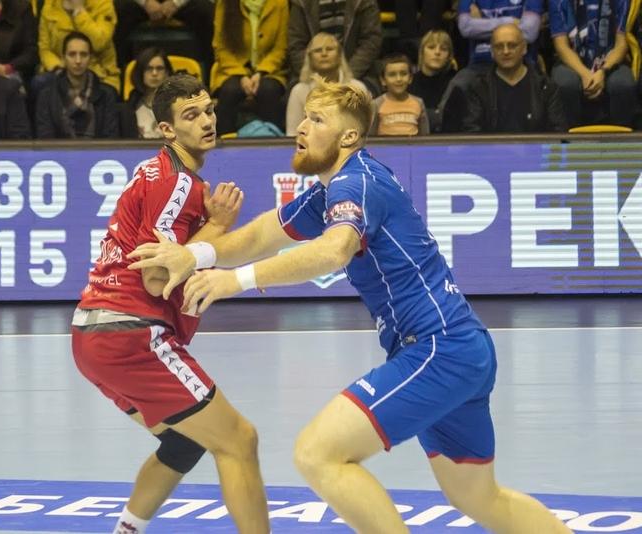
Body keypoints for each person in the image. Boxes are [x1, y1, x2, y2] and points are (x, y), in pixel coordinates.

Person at [127, 78, 573, 534]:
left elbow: (334, 250)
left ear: (349, 136)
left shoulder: (356, 182)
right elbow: (262, 234)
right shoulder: (331, 190)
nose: (302, 127)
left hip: (438, 350)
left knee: (318, 453)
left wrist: (234, 281)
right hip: (461, 349)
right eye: (305, 117)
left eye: (317, 120)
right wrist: (195, 255)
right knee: (477, 495)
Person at [70, 73, 270, 534]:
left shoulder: (158, 172)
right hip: (131, 334)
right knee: (239, 440)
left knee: (183, 443)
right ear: (166, 128)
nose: (206, 121)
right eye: (191, 115)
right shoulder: (177, 183)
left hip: (93, 336)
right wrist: (217, 226)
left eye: (209, 110)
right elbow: (157, 276)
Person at [463, 24, 567, 133]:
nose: (506, 51)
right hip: (491, 145)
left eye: (512, 45)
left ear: (524, 48)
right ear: (492, 52)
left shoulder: (546, 87)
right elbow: (472, 133)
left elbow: (558, 133)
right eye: (499, 46)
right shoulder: (478, 88)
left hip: (536, 144)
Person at [549, 0, 636, 128]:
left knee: (622, 83)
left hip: (610, 62)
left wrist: (603, 71)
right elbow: (561, 46)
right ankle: (567, 136)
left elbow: (621, 45)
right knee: (565, 83)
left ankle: (621, 137)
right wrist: (585, 73)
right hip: (573, 62)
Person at [211, 0, 288, 135]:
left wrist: (261, 72)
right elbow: (221, 48)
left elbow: (280, 48)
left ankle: (274, 141)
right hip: (232, 69)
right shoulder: (224, 3)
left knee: (268, 90)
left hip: (270, 70)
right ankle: (221, 143)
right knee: (230, 90)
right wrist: (241, 75)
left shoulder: (280, 3)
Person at [35, 32, 120, 139]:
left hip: (98, 149)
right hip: (59, 150)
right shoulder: (46, 96)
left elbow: (111, 137)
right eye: (72, 54)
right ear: (63, 58)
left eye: (83, 55)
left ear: (90, 58)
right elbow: (45, 138)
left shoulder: (107, 94)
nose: (78, 61)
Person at [287, 0, 382, 95]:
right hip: (311, 71)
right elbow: (296, 45)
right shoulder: (302, 2)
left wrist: (346, 75)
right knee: (296, 91)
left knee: (362, 92)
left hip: (358, 71)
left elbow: (371, 41)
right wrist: (314, 76)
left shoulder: (364, 2)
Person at [285, 32, 369, 135]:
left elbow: (365, 130)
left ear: (339, 55)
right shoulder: (299, 91)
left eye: (329, 49)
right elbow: (293, 133)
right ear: (310, 58)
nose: (324, 54)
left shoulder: (357, 88)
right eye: (318, 50)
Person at [36, 0, 120, 95]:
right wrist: (59, 67)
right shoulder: (50, 5)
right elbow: (45, 48)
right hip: (60, 69)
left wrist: (79, 12)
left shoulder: (103, 4)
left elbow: (100, 43)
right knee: (39, 83)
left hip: (99, 73)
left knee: (107, 93)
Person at [409, 29, 458, 132]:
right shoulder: (409, 82)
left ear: (449, 56)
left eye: (443, 49)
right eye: (431, 47)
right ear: (422, 52)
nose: (437, 52)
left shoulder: (456, 83)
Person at [371, 53, 429, 136]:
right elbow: (370, 137)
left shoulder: (419, 103)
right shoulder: (376, 104)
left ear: (410, 78)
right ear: (383, 80)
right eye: (392, 75)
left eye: (403, 74)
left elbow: (425, 136)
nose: (398, 79)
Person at [125, 47, 173, 138]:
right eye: (149, 68)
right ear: (140, 73)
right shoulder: (130, 108)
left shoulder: (178, 105)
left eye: (159, 68)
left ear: (167, 73)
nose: (154, 73)